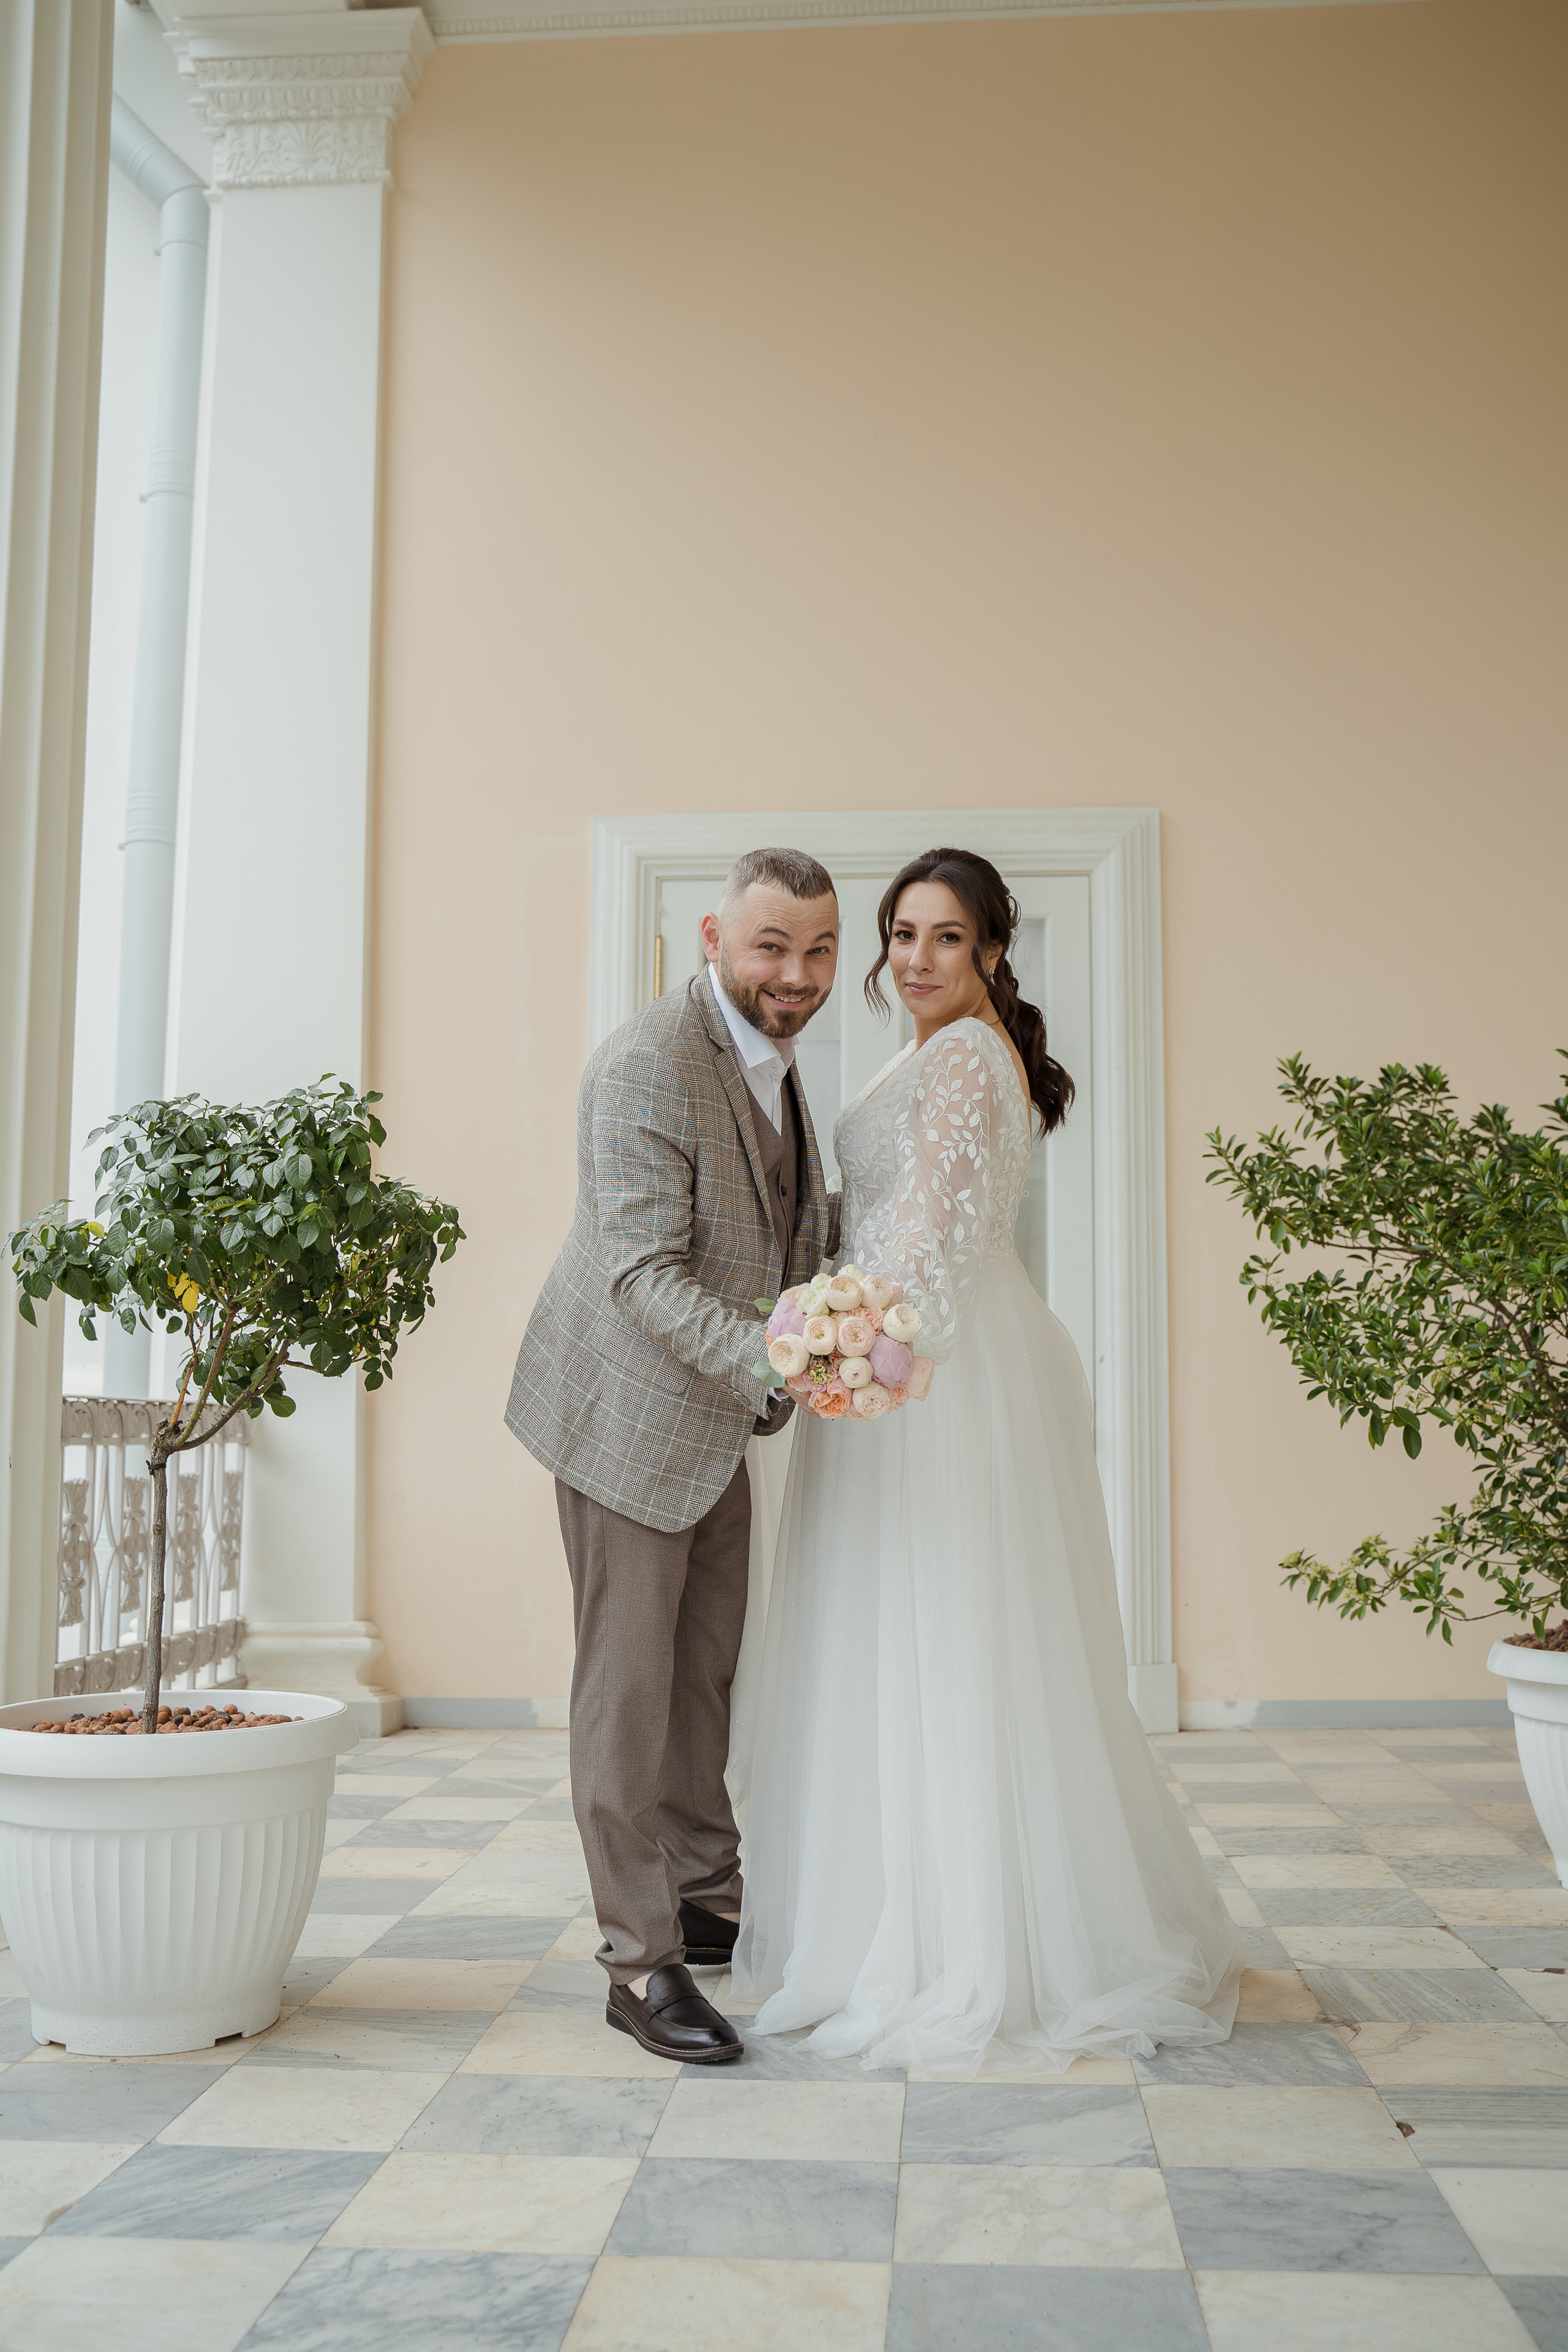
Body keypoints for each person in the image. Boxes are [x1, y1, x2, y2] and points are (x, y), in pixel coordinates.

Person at [734, 846, 1240, 2075]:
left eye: (945, 938)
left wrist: (847, 1346)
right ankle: (884, 1915)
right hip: (904, 1360)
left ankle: (959, 1941)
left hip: (935, 1375)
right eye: (901, 935)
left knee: (942, 1636)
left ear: (992, 951)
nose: (914, 958)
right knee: (897, 1633)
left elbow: (929, 1247)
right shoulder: (927, 1049)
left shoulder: (964, 1059)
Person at [506, 846, 840, 2064]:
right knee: (628, 1696)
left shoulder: (775, 1058)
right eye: (770, 948)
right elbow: (640, 1273)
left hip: (712, 1424)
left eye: (815, 950)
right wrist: (782, 1360)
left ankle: (705, 1897)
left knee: (703, 1677)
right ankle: (636, 1964)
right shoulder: (647, 1062)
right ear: (713, 938)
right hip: (623, 1423)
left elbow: (786, 1220)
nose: (794, 976)